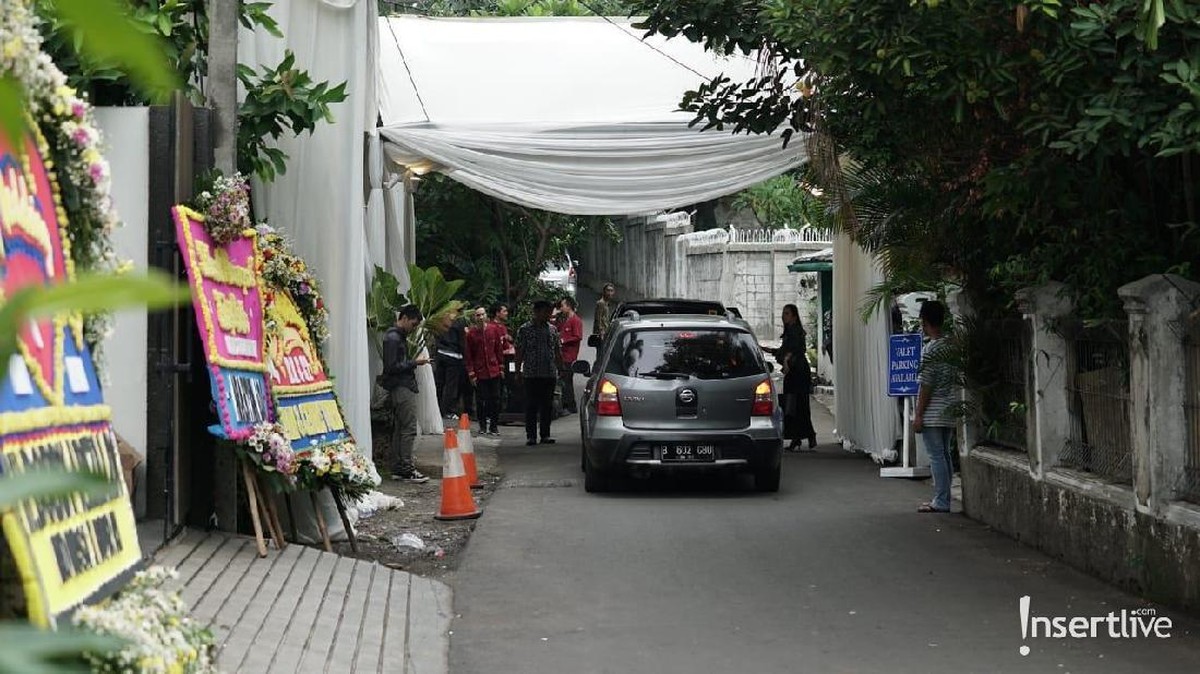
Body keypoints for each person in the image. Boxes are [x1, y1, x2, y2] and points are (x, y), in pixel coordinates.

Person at [913, 300, 958, 514]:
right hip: (949, 407)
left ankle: (941, 500)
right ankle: (944, 498)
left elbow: (926, 384)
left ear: (925, 321)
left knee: (937, 456)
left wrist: (919, 414)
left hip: (933, 410)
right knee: (945, 454)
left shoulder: (930, 349)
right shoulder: (951, 345)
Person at [380, 305, 431, 483]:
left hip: (400, 386)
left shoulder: (395, 337)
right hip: (402, 386)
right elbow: (391, 366)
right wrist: (414, 363)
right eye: (413, 324)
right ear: (405, 318)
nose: (413, 328)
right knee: (408, 428)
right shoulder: (394, 338)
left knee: (401, 429)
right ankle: (407, 467)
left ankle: (399, 467)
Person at [764, 303, 817, 452]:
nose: (783, 316)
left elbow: (794, 351)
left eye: (786, 313)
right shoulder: (791, 332)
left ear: (794, 316)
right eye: (783, 313)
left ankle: (801, 437)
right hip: (795, 372)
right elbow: (784, 351)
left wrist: (786, 360)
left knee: (796, 405)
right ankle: (802, 437)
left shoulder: (795, 332)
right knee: (796, 405)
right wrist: (768, 350)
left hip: (798, 372)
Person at [515, 300, 563, 446]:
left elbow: (557, 351)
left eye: (549, 312)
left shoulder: (552, 330)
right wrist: (517, 371)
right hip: (531, 374)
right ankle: (531, 436)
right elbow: (519, 352)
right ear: (536, 312)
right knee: (531, 406)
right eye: (545, 312)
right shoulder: (525, 329)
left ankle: (545, 434)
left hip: (548, 373)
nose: (548, 315)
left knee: (547, 406)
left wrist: (561, 369)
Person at [466, 305, 505, 436]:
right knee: (481, 400)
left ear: (486, 315)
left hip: (493, 370)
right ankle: (482, 426)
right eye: (478, 315)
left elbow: (498, 349)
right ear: (475, 317)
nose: (481, 317)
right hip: (480, 372)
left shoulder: (494, 330)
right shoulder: (471, 334)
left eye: (482, 314)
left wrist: (501, 367)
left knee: (496, 399)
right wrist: (472, 374)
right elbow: (469, 355)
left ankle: (494, 426)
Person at [433, 308, 469, 421]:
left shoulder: (442, 318)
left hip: (441, 352)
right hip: (454, 354)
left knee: (439, 383)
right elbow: (462, 340)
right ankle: (449, 410)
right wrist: (465, 355)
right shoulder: (459, 321)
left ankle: (437, 407)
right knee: (451, 385)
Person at [556, 296, 584, 414]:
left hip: (570, 356)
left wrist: (564, 341)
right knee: (564, 380)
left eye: (563, 306)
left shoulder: (575, 321)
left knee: (567, 381)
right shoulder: (566, 320)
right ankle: (566, 404)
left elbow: (578, 336)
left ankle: (570, 405)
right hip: (563, 355)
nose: (561, 308)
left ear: (568, 306)